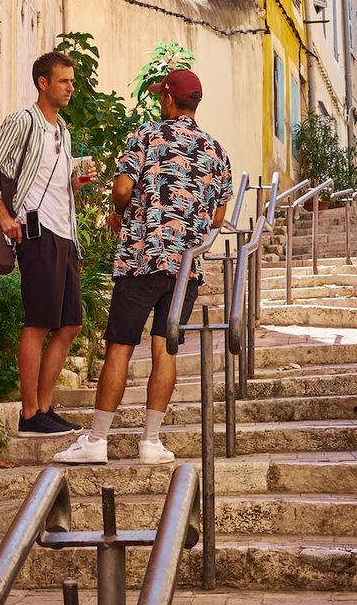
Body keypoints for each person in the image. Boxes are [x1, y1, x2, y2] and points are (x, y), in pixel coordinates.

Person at [53, 68, 232, 466]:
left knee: (120, 346)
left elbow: (121, 188)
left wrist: (121, 212)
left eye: (160, 97)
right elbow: (219, 217)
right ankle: (151, 442)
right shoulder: (217, 151)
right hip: (186, 268)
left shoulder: (147, 135)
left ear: (169, 99)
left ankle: (98, 440)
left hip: (143, 257)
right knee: (164, 348)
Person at [0, 51, 84, 437]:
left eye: (72, 81)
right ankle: (30, 413)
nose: (70, 87)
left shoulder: (63, 131)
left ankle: (45, 408)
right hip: (37, 233)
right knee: (38, 322)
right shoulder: (23, 121)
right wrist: (4, 216)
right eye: (64, 80)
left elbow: (51, 180)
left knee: (70, 324)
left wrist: (74, 182)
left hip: (65, 235)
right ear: (43, 82)